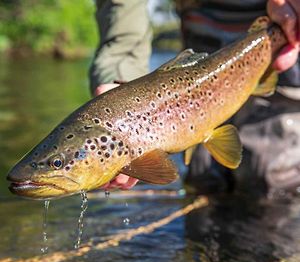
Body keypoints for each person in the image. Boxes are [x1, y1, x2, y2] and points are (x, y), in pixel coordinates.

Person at [89, 0, 300, 193]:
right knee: (203, 181)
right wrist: (122, 80)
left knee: (270, 179)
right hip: (201, 28)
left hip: (280, 27)